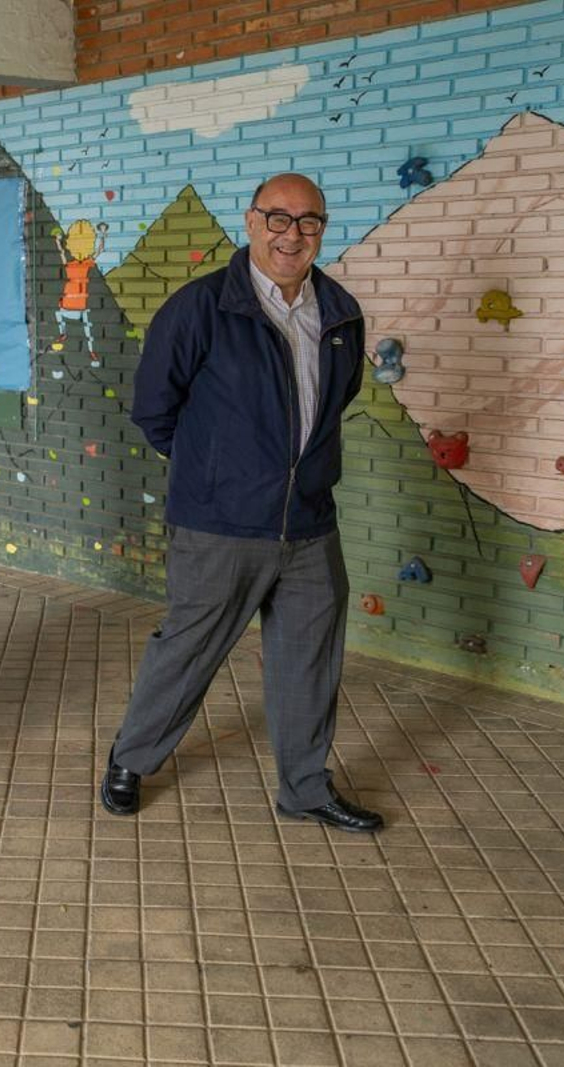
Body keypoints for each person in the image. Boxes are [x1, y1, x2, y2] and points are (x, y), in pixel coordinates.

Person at [100, 173, 384, 834]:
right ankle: (130, 758)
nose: (293, 234)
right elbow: (154, 409)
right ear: (252, 222)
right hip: (220, 524)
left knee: (310, 658)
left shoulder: (339, 311)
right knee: (188, 649)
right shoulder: (201, 307)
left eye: (309, 221)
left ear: (321, 228)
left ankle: (305, 786)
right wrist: (218, 470)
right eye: (278, 218)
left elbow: (332, 404)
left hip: (310, 522)